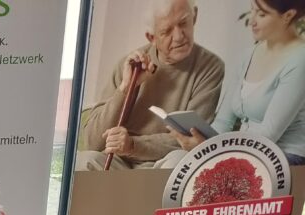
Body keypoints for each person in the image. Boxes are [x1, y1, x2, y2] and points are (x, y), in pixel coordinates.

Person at [78, 0, 224, 169]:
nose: (178, 36)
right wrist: (125, 88)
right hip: (119, 163)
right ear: (151, 37)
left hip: (162, 163)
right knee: (83, 161)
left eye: (183, 23)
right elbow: (92, 142)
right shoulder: (130, 65)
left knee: (180, 159)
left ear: (195, 16)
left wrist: (133, 145)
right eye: (167, 31)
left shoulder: (211, 67)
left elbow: (191, 137)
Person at [167, 0, 305, 163]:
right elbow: (223, 122)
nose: (252, 21)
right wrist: (202, 142)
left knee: (193, 167)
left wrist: (211, 148)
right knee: (176, 159)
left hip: (284, 158)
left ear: (288, 15)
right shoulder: (248, 56)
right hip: (247, 151)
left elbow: (268, 135)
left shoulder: (299, 59)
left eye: (262, 14)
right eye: (252, 11)